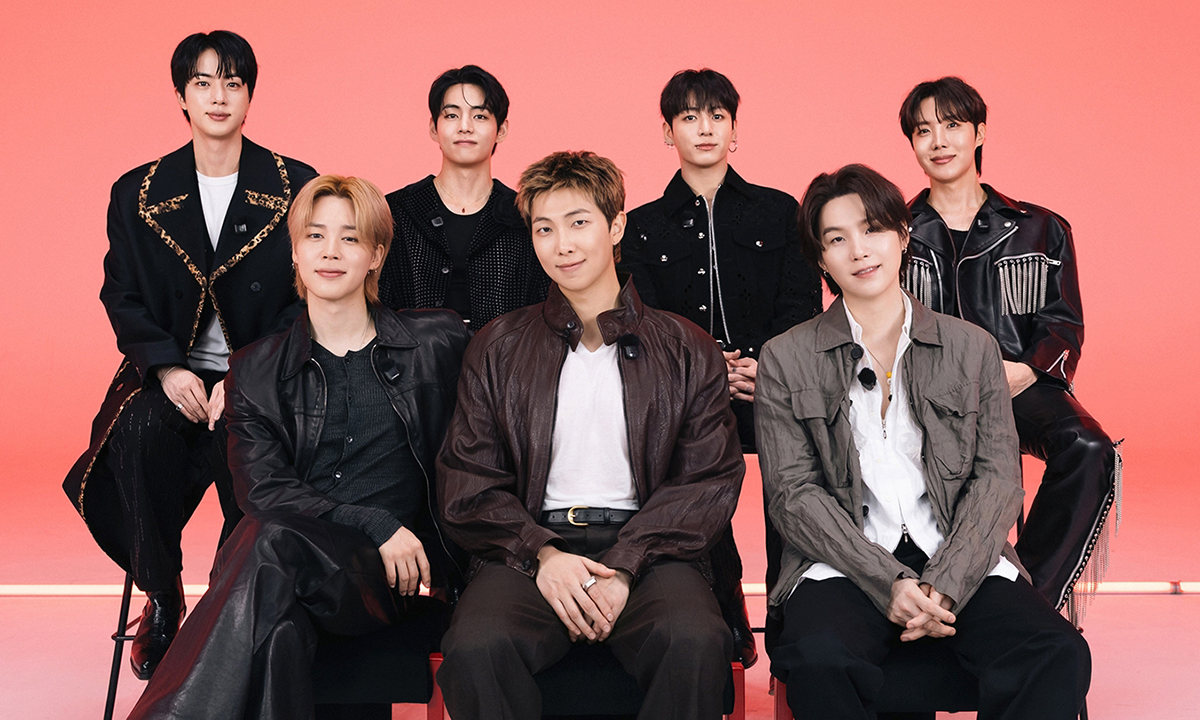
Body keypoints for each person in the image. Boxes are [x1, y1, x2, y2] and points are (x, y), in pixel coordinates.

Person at [127, 175, 471, 719]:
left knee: (267, 542)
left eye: (350, 238)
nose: (330, 251)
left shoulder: (437, 342)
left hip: (386, 577)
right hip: (293, 563)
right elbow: (262, 490)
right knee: (278, 622)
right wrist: (372, 522)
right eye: (315, 236)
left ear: (377, 256)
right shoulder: (254, 369)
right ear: (295, 251)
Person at [757, 164, 1091, 718]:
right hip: (843, 561)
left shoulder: (972, 348)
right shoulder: (785, 357)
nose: (859, 251)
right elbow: (793, 495)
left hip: (958, 553)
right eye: (836, 239)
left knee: (1056, 652)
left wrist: (947, 580)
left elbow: (998, 478)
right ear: (820, 260)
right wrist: (887, 580)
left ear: (902, 234)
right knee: (820, 660)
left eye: (872, 229)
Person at [436, 151, 744, 720]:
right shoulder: (498, 346)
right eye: (544, 229)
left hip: (653, 550)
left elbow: (708, 481)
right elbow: (467, 482)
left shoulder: (687, 346)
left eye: (578, 223)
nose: (563, 245)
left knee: (693, 641)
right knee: (477, 648)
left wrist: (626, 563)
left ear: (617, 226)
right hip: (529, 546)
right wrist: (544, 554)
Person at [62, 30, 316, 680]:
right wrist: (168, 367)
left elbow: (308, 294)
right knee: (139, 433)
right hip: (169, 372)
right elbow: (121, 293)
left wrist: (245, 373)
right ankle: (162, 591)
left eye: (232, 82)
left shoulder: (296, 185)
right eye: (203, 82)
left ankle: (231, 603)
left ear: (250, 94)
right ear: (182, 95)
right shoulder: (137, 190)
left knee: (257, 449)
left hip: (260, 371)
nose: (218, 96)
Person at [620, 68, 823, 665]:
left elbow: (801, 305)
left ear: (735, 129)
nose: (704, 128)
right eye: (689, 117)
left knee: (796, 475)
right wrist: (711, 368)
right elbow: (646, 319)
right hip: (688, 391)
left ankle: (790, 613)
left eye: (716, 116)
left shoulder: (779, 211)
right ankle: (724, 603)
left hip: (771, 384)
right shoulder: (642, 225)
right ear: (668, 132)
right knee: (692, 471)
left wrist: (763, 365)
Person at [898, 76, 1118, 618]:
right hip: (921, 391)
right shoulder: (894, 232)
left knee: (1089, 448)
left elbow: (1062, 324)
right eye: (923, 131)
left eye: (952, 125)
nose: (939, 141)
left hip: (1018, 385)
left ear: (979, 133)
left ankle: (1032, 604)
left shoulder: (1041, 228)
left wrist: (1024, 371)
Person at [378, 64, 550, 330]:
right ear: (434, 128)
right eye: (451, 115)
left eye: (480, 116)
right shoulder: (395, 211)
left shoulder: (525, 215)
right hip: (410, 355)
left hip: (508, 355)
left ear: (501, 130)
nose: (465, 127)